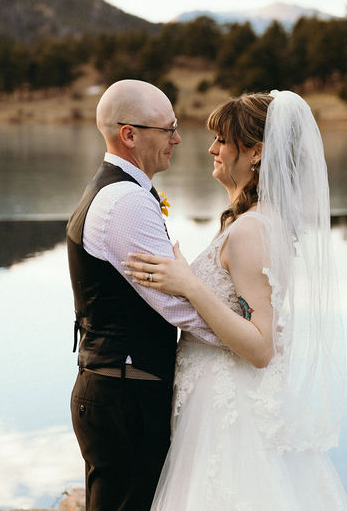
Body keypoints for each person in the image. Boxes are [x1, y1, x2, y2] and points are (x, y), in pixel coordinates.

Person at [124, 90, 347, 510]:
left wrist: (189, 285)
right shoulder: (256, 223)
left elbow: (261, 346)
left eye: (223, 140)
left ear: (256, 152)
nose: (212, 148)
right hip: (215, 402)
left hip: (228, 413)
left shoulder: (251, 231)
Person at [66, 79, 223, 511]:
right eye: (167, 128)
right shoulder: (124, 203)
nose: (177, 137)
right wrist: (244, 336)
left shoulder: (119, 191)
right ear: (129, 134)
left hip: (117, 388)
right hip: (125, 396)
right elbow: (179, 307)